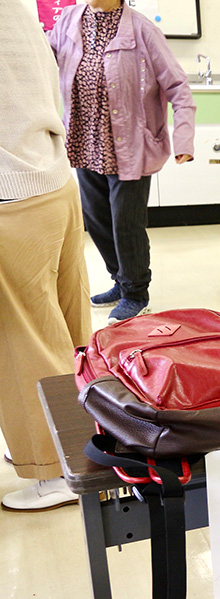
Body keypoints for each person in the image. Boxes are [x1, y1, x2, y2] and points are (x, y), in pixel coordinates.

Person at [47, 0, 195, 323]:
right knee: (97, 220)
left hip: (131, 147)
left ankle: (136, 293)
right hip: (84, 142)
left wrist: (184, 139)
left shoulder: (143, 30)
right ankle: (121, 279)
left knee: (126, 225)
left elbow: (178, 87)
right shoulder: (71, 20)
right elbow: (44, 57)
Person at [0, 0, 93, 512]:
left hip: (10, 192)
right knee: (67, 330)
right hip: (51, 177)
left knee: (25, 344)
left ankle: (57, 469)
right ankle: (87, 441)